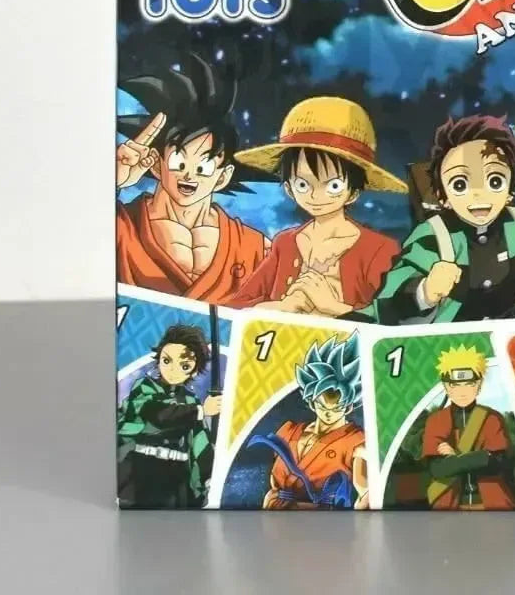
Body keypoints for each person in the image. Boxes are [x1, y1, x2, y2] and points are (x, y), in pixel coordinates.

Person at [367, 115, 515, 324]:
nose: (478, 194)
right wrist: (424, 292)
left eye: (494, 181)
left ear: (511, 189)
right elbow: (388, 301)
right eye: (460, 184)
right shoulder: (432, 235)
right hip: (452, 340)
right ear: (442, 195)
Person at [115, 55, 269, 304]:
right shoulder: (122, 227)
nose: (189, 175)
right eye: (179, 162)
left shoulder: (253, 247)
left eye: (204, 166)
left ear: (223, 176)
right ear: (157, 164)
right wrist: (113, 182)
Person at [230, 98, 404, 316]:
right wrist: (281, 307)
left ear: (354, 192)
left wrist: (333, 307)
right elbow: (237, 306)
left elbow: (394, 318)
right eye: (303, 184)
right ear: (289, 188)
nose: (315, 195)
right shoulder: (285, 243)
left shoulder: (379, 250)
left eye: (333, 185)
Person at [249, 333, 368, 509]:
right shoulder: (288, 431)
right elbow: (275, 484)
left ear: (348, 407)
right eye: (322, 406)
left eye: (337, 408)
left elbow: (366, 494)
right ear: (312, 402)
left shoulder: (355, 441)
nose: (328, 414)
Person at [117, 324, 221, 508]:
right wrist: (200, 411)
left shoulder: (191, 400)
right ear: (158, 360)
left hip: (176, 481)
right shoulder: (144, 388)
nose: (173, 370)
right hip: (139, 473)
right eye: (167, 361)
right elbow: (157, 414)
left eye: (184, 365)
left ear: (194, 370)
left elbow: (200, 444)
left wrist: (209, 475)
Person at [422, 345, 515, 510]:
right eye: (455, 385)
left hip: (492, 504)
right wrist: (481, 457)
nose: (462, 391)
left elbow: (497, 463)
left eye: (469, 384)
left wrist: (454, 458)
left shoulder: (492, 418)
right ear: (446, 387)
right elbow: (437, 469)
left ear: (479, 384)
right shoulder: (436, 421)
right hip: (448, 506)